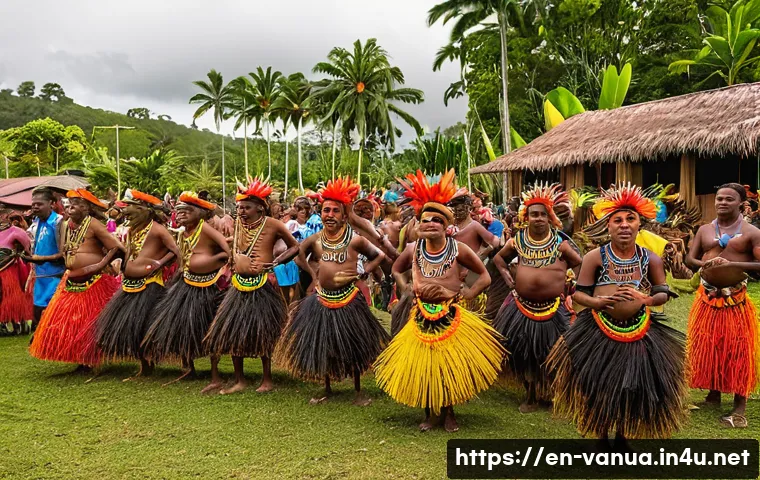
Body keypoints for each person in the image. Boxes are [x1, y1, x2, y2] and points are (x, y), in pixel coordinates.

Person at [547, 183, 687, 447]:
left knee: (631, 386)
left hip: (639, 330)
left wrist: (644, 299)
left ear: (639, 225)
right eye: (617, 220)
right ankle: (601, 434)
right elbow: (579, 293)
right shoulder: (594, 257)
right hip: (597, 329)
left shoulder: (651, 259)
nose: (624, 225)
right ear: (607, 226)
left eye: (630, 219)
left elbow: (662, 293)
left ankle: (622, 435)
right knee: (597, 383)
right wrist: (598, 302)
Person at [374, 169, 505, 432]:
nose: (431, 224)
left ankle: (449, 412)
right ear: (418, 224)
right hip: (420, 314)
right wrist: (406, 287)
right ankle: (430, 413)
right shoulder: (413, 249)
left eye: (437, 220)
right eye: (425, 220)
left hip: (451, 314)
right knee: (424, 365)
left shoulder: (459, 249)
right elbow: (396, 269)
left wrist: (466, 294)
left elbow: (484, 277)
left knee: (449, 365)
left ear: (446, 226)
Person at [276, 177, 389, 406]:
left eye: (335, 211)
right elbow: (299, 253)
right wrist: (313, 273)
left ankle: (358, 391)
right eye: (326, 210)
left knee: (354, 344)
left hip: (349, 298)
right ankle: (327, 388)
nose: (329, 214)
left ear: (344, 215)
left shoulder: (355, 240)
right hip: (321, 299)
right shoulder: (316, 240)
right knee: (323, 343)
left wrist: (364, 272)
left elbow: (380, 255)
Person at [204, 178, 299, 394]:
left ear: (260, 207)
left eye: (246, 207)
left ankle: (267, 379)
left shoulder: (273, 225)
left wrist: (275, 263)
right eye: (238, 207)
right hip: (238, 285)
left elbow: (295, 247)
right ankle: (240, 380)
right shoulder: (237, 226)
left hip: (262, 285)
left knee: (263, 331)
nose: (241, 211)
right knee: (233, 330)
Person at [492, 183, 582, 413]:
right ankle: (530, 394)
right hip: (521, 308)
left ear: (550, 217)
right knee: (525, 353)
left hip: (553, 309)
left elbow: (579, 263)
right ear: (526, 217)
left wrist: (576, 288)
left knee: (553, 352)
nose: (538, 219)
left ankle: (552, 392)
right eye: (534, 214)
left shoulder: (561, 244)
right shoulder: (518, 241)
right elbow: (499, 260)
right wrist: (511, 282)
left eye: (543, 214)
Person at [686, 183, 760, 428]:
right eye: (719, 198)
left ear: (740, 203)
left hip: (734, 299)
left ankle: (740, 407)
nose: (722, 202)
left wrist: (731, 266)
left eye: (729, 199)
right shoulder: (705, 230)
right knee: (709, 345)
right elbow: (690, 259)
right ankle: (713, 395)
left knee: (738, 350)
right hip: (706, 298)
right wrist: (704, 264)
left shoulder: (751, 232)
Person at [141, 192, 230, 384]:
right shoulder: (184, 233)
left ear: (199, 213)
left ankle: (215, 375)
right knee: (181, 325)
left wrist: (211, 262)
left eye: (186, 211)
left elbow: (227, 251)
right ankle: (188, 367)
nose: (180, 215)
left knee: (207, 327)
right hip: (184, 284)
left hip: (206, 286)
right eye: (178, 212)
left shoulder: (205, 228)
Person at [29, 189, 123, 369]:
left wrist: (100, 264)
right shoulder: (66, 225)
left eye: (76, 205)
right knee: (71, 321)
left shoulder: (94, 224)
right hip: (71, 280)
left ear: (87, 208)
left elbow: (116, 247)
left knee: (90, 321)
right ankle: (80, 358)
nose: (70, 208)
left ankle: (91, 358)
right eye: (69, 204)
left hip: (94, 281)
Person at [96, 189, 180, 377]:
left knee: (144, 324)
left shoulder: (158, 230)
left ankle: (150, 361)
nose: (125, 212)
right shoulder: (133, 230)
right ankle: (143, 365)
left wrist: (160, 263)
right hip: (130, 284)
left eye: (130, 207)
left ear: (145, 209)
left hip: (150, 285)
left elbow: (176, 251)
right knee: (131, 325)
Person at [27, 187, 66, 331]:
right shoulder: (37, 222)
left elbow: (64, 254)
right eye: (33, 204)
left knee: (53, 312)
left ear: (51, 203)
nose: (35, 207)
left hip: (56, 276)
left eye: (39, 204)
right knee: (38, 311)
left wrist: (41, 258)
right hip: (40, 276)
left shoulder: (59, 222)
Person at [0, 205, 33, 334]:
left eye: (2, 214)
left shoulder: (16, 231)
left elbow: (28, 251)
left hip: (10, 267)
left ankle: (16, 322)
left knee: (11, 294)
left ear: (7, 215)